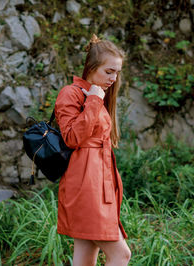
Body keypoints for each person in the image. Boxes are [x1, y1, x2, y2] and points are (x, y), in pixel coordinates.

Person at [54, 34, 131, 266]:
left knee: (85, 260)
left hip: (100, 184)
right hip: (86, 185)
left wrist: (96, 99)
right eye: (109, 71)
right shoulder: (72, 93)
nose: (113, 78)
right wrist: (95, 101)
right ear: (91, 67)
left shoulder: (95, 94)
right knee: (121, 254)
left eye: (117, 72)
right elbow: (71, 137)